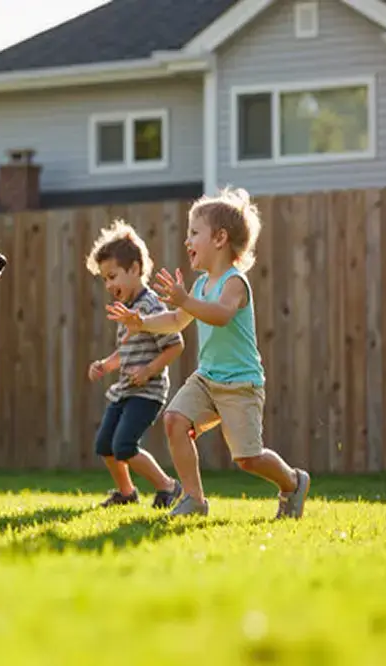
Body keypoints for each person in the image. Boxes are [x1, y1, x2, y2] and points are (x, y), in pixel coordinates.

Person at [106, 187, 311, 519]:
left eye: (193, 233)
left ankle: (292, 481)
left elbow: (221, 314)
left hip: (240, 384)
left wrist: (185, 300)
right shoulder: (200, 285)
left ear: (219, 238)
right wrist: (141, 322)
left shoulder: (234, 283)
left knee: (248, 458)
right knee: (174, 420)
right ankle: (194, 499)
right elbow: (175, 321)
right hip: (207, 378)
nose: (187, 241)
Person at [85, 219, 185, 509]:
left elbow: (176, 344)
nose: (109, 284)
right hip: (125, 389)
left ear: (135, 269)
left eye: (113, 276)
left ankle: (168, 486)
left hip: (148, 391)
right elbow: (126, 351)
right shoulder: (127, 309)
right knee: (105, 446)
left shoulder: (150, 307)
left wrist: (149, 371)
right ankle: (126, 493)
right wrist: (106, 365)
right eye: (104, 279)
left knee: (124, 446)